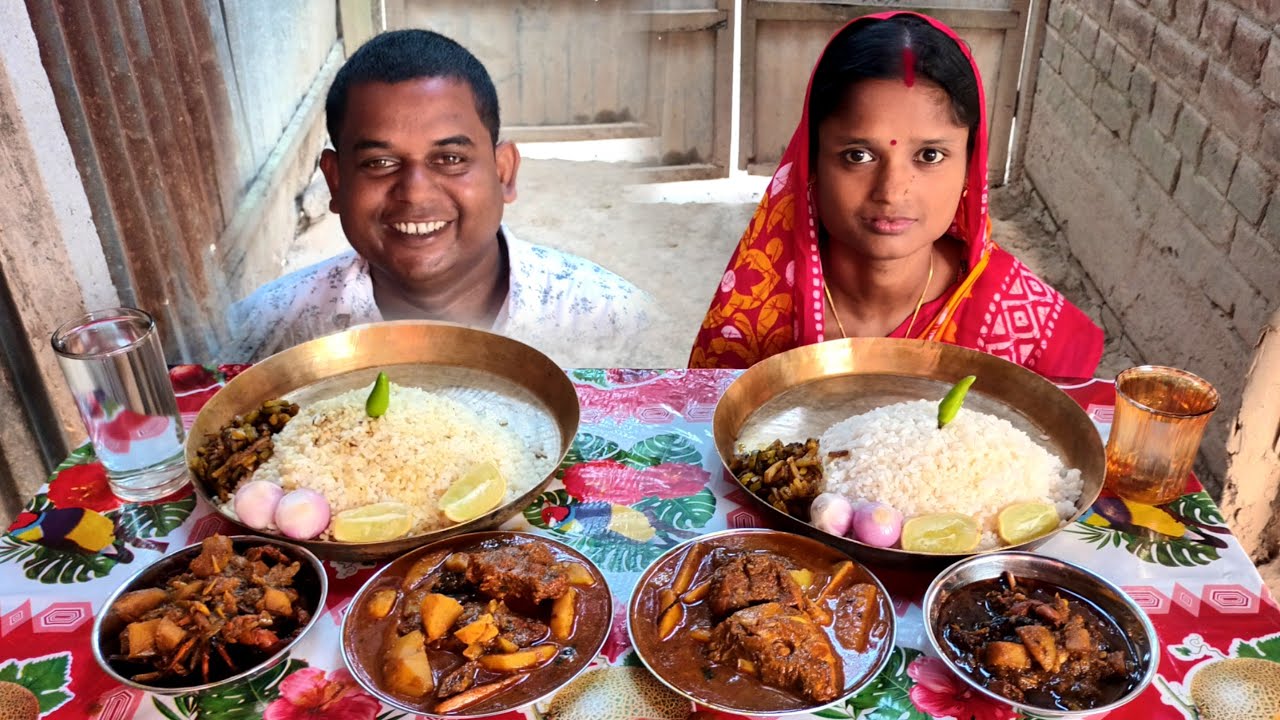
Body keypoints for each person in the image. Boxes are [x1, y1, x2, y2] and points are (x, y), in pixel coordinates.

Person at [689, 12, 1103, 378]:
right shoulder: (754, 314)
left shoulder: (1023, 330)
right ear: (811, 163)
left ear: (970, 169)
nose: (891, 191)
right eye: (858, 155)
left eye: (929, 155)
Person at [226, 29, 656, 366]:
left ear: (504, 172)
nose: (414, 191)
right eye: (380, 162)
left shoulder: (610, 321)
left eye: (449, 158)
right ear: (336, 183)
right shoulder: (262, 336)